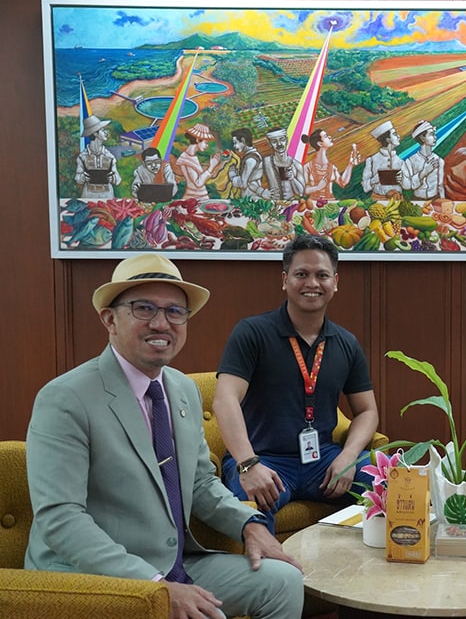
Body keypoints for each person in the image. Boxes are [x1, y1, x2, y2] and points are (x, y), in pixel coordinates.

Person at [25, 253, 304, 619]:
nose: (162, 323)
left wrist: (248, 524)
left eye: (175, 312)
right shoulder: (65, 398)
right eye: (144, 309)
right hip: (92, 577)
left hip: (176, 562)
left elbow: (201, 482)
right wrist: (155, 585)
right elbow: (62, 519)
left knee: (283, 581)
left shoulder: (182, 389)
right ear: (109, 318)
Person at [213, 234, 380, 533]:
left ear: (336, 281)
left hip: (324, 460)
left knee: (392, 481)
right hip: (264, 458)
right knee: (248, 513)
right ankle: (274, 578)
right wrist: (248, 464)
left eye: (322, 275)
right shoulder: (251, 332)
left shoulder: (346, 343)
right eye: (301, 274)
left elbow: (367, 411)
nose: (312, 283)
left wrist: (348, 455)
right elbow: (225, 400)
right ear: (285, 279)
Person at [301, 127, 360, 208]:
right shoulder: (307, 167)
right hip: (314, 205)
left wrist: (350, 164)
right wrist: (317, 188)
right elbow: (302, 190)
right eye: (326, 136)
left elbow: (343, 183)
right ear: (320, 143)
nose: (330, 137)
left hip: (332, 204)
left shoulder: (332, 167)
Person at [75, 114, 120, 199]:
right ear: (95, 133)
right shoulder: (82, 157)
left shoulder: (110, 157)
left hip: (107, 195)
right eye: (102, 130)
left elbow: (118, 180)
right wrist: (83, 177)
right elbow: (78, 178)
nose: (106, 133)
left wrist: (113, 178)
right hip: (88, 195)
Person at [175, 123, 221, 202]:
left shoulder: (191, 157)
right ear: (197, 140)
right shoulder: (187, 159)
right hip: (194, 199)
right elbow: (198, 183)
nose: (206, 146)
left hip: (198, 198)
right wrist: (211, 167)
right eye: (206, 143)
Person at [402, 120, 445, 201]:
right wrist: (424, 172)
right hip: (417, 201)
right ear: (422, 138)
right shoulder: (410, 161)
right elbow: (411, 185)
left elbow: (440, 186)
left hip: (435, 200)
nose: (435, 137)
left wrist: (443, 200)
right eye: (431, 134)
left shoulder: (439, 160)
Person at [361, 120, 404, 199]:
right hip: (378, 199)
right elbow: (365, 186)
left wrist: (403, 179)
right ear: (388, 139)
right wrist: (376, 179)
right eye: (394, 134)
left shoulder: (400, 161)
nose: (398, 136)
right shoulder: (372, 160)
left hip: (398, 199)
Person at [263, 126, 305, 202]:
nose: (279, 144)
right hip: (273, 204)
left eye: (282, 140)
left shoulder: (296, 165)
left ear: (286, 140)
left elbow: (301, 192)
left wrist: (292, 179)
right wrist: (262, 192)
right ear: (270, 144)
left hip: (290, 202)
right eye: (274, 141)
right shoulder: (266, 162)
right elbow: (251, 180)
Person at [226, 127, 270, 201]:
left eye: (235, 142)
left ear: (243, 140)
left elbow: (244, 184)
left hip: (251, 195)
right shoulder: (252, 155)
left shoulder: (250, 160)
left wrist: (232, 175)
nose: (234, 146)